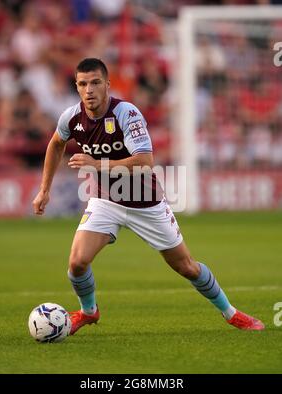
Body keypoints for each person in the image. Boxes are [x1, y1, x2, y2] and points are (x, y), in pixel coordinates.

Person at [32, 58, 264, 335]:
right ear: (77, 87)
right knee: (77, 262)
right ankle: (89, 312)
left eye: (95, 82)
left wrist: (98, 165)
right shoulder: (71, 117)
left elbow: (145, 161)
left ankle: (231, 313)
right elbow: (56, 143)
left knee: (187, 267)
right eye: (83, 84)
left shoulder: (127, 114)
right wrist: (44, 189)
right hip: (106, 200)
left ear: (107, 84)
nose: (89, 89)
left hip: (146, 203)